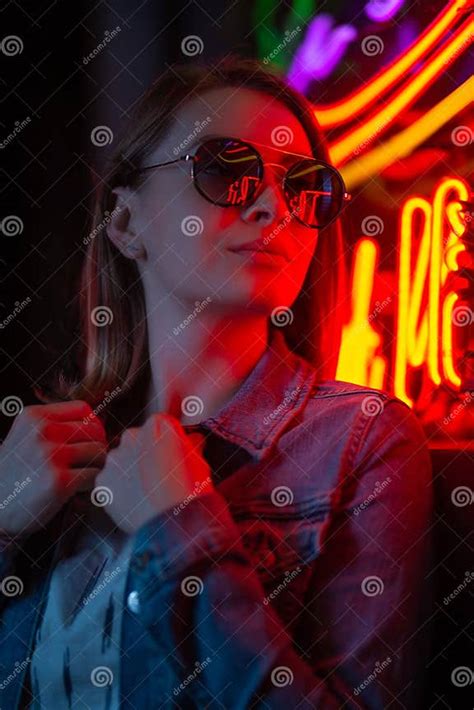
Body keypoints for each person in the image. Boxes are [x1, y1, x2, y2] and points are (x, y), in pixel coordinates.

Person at [0, 55, 433, 709]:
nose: (271, 206)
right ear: (124, 222)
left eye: (303, 186)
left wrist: (182, 530)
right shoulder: (41, 451)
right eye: (225, 168)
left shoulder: (363, 442)